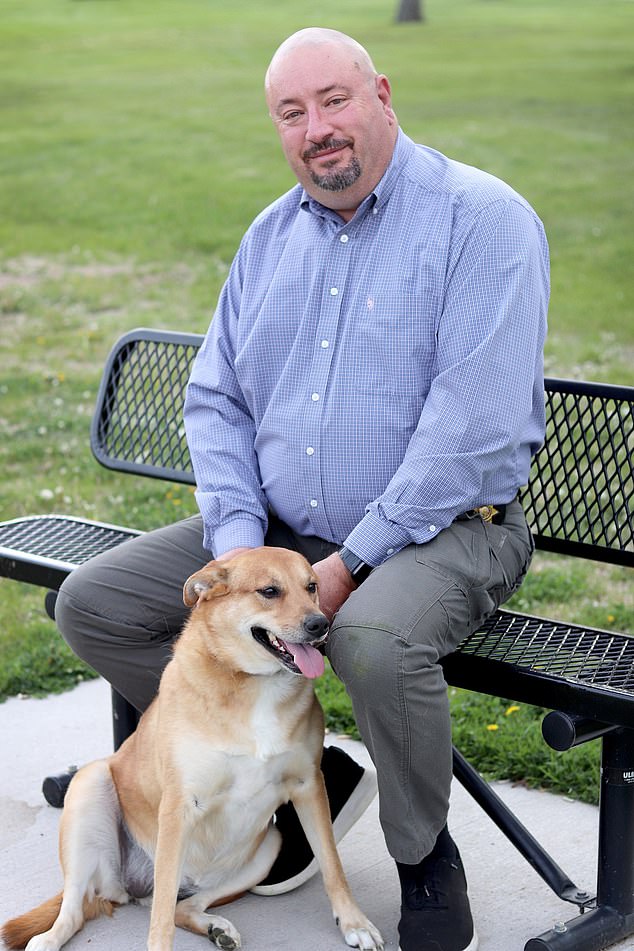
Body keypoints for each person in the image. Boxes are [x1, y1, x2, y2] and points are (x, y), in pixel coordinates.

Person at [55, 27, 549, 951]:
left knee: (369, 633)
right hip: (282, 534)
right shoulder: (271, 235)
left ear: (382, 95)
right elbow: (216, 397)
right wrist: (240, 548)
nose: (317, 128)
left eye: (334, 101)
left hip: (449, 526)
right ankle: (289, 768)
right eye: (293, 113)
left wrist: (354, 558)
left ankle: (421, 848)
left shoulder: (482, 219)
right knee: (98, 606)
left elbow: (468, 428)